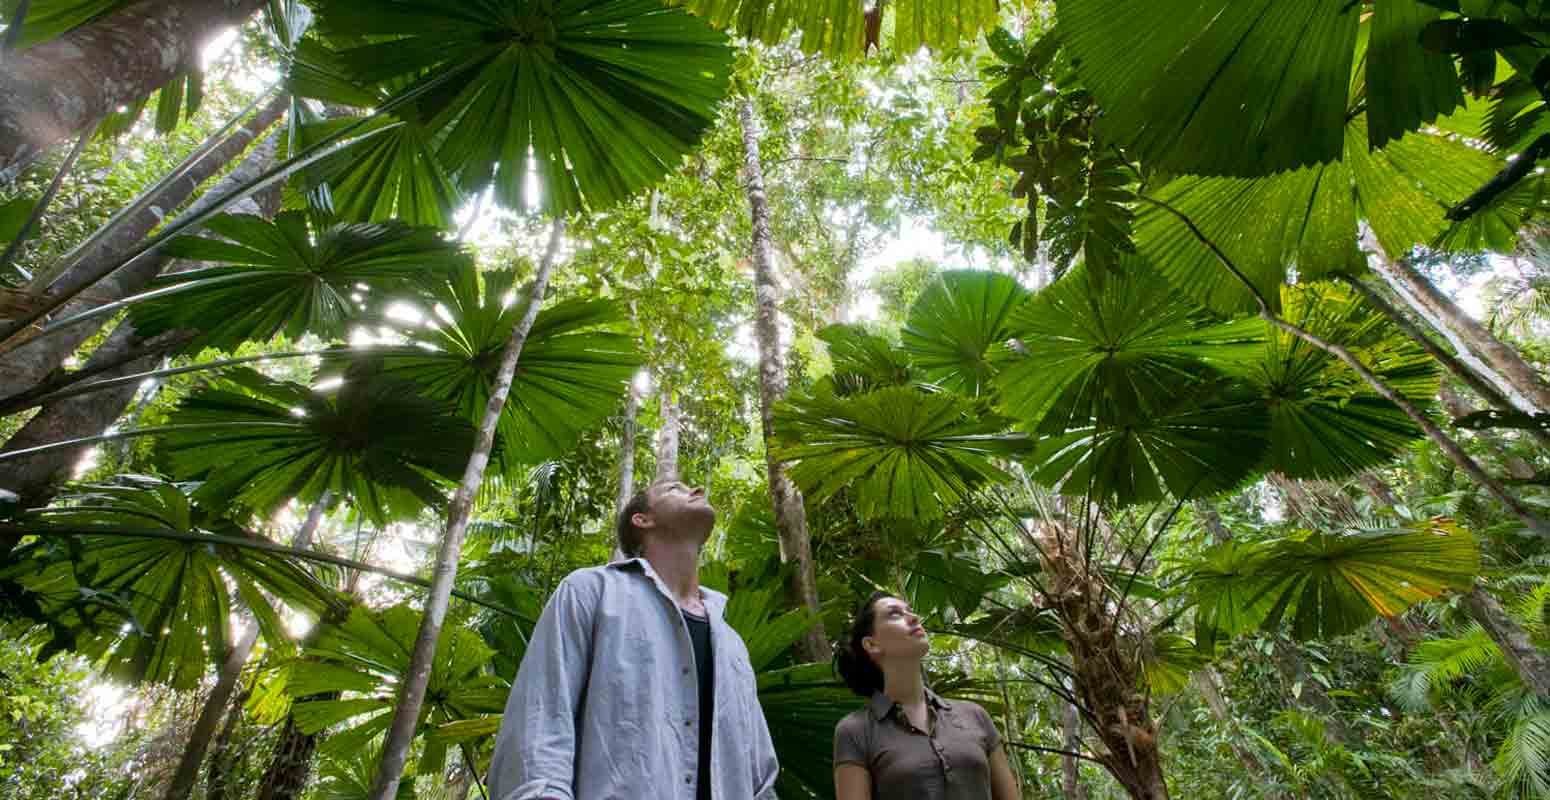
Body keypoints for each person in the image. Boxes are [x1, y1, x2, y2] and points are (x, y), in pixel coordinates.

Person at [488, 479, 780, 800]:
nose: (695, 490)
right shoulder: (591, 592)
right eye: (674, 489)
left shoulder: (732, 642)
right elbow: (540, 720)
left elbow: (759, 774)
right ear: (642, 520)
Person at [833, 593, 1021, 800]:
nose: (913, 617)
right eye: (895, 614)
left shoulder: (975, 716)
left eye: (910, 611)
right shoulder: (856, 730)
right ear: (871, 644)